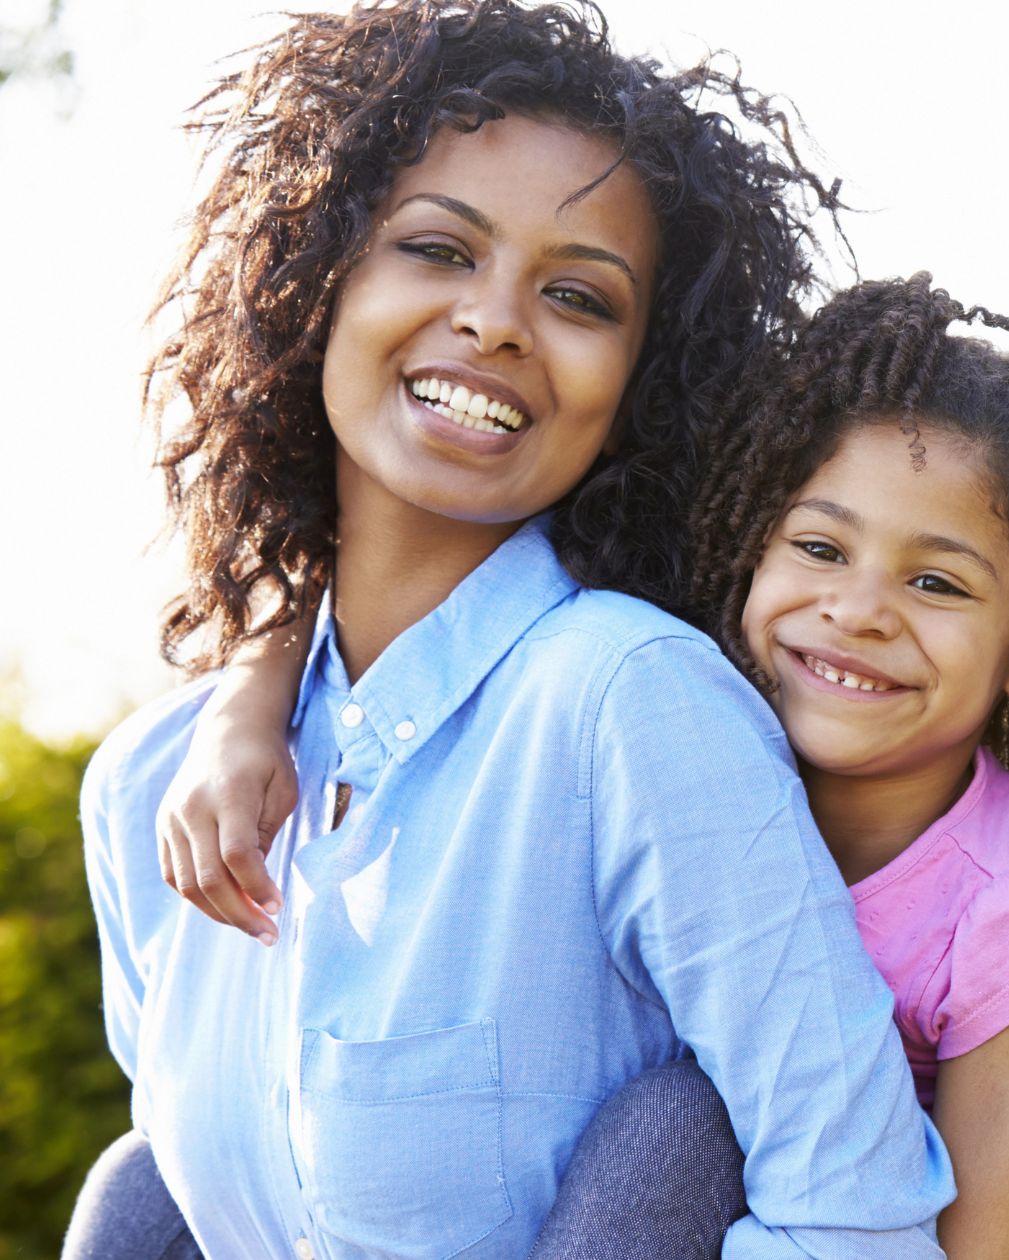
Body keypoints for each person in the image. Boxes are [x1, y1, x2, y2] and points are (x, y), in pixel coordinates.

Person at [67, 3, 951, 1257]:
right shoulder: (151, 783)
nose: (494, 321)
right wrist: (255, 678)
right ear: (317, 283)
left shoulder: (629, 705)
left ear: (642, 378)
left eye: (579, 297)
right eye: (436, 249)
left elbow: (856, 1221)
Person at [115, 276, 1009, 1260]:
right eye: (819, 550)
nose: (857, 611)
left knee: (682, 1121)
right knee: (140, 1180)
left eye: (938, 585)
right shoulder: (657, 717)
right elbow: (354, 583)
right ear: (746, 548)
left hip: (764, 1219)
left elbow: (975, 1246)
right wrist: (246, 709)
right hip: (528, 1195)